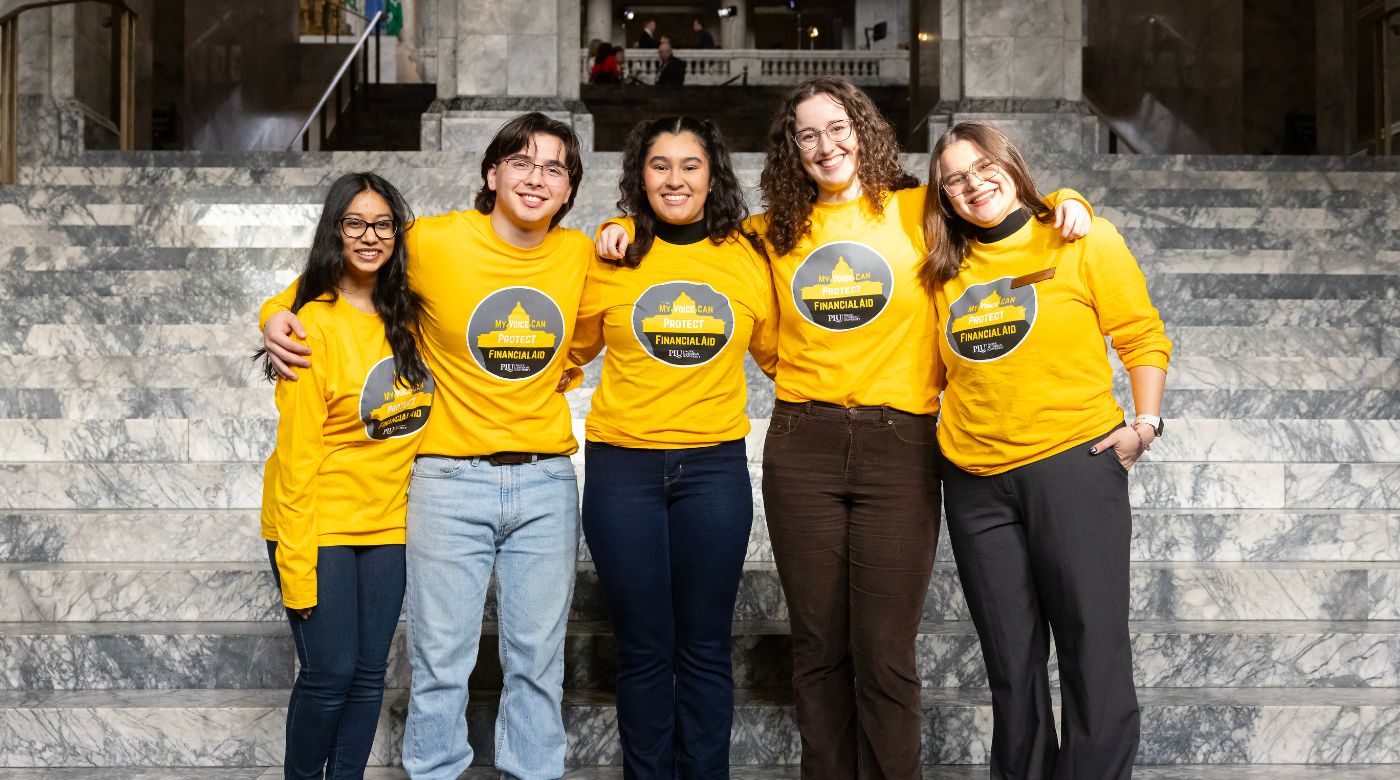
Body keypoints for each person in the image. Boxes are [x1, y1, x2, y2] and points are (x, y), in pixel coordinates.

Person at [595, 77, 1093, 779]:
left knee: (885, 653)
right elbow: (692, 251)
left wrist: (1069, 202)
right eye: (807, 134)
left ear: (864, 129)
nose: (825, 144)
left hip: (902, 446)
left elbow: (1005, 209)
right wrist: (617, 227)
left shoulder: (921, 209)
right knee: (819, 648)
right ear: (790, 148)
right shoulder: (769, 231)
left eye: (838, 127)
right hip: (805, 445)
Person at [261, 113, 592, 780]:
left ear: (570, 189)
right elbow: (347, 264)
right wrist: (273, 312)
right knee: (439, 661)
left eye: (554, 167)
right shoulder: (431, 241)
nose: (536, 177)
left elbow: (594, 327)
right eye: (521, 162)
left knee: (538, 661)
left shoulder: (582, 254)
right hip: (448, 481)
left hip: (544, 481)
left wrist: (571, 363)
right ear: (491, 173)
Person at [923, 122, 1169, 778]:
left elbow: (1141, 335)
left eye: (982, 168)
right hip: (975, 481)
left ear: (1011, 166)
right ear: (943, 196)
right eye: (954, 178)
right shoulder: (942, 270)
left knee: (1093, 651)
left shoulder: (1080, 238)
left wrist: (1145, 424)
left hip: (1073, 467)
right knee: (1011, 662)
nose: (972, 184)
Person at [572, 116, 776, 779]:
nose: (675, 178)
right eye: (660, 165)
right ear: (640, 176)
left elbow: (784, 355)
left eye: (690, 164)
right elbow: (562, 352)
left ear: (713, 173)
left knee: (705, 646)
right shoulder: (613, 253)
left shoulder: (747, 256)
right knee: (643, 646)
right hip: (621, 470)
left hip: (713, 469)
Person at [257, 172, 432, 779]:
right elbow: (298, 462)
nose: (369, 236)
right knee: (329, 675)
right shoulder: (311, 328)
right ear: (335, 230)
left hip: (386, 528)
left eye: (382, 224)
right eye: (354, 222)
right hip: (319, 526)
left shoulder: (409, 314)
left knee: (366, 677)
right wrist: (298, 575)